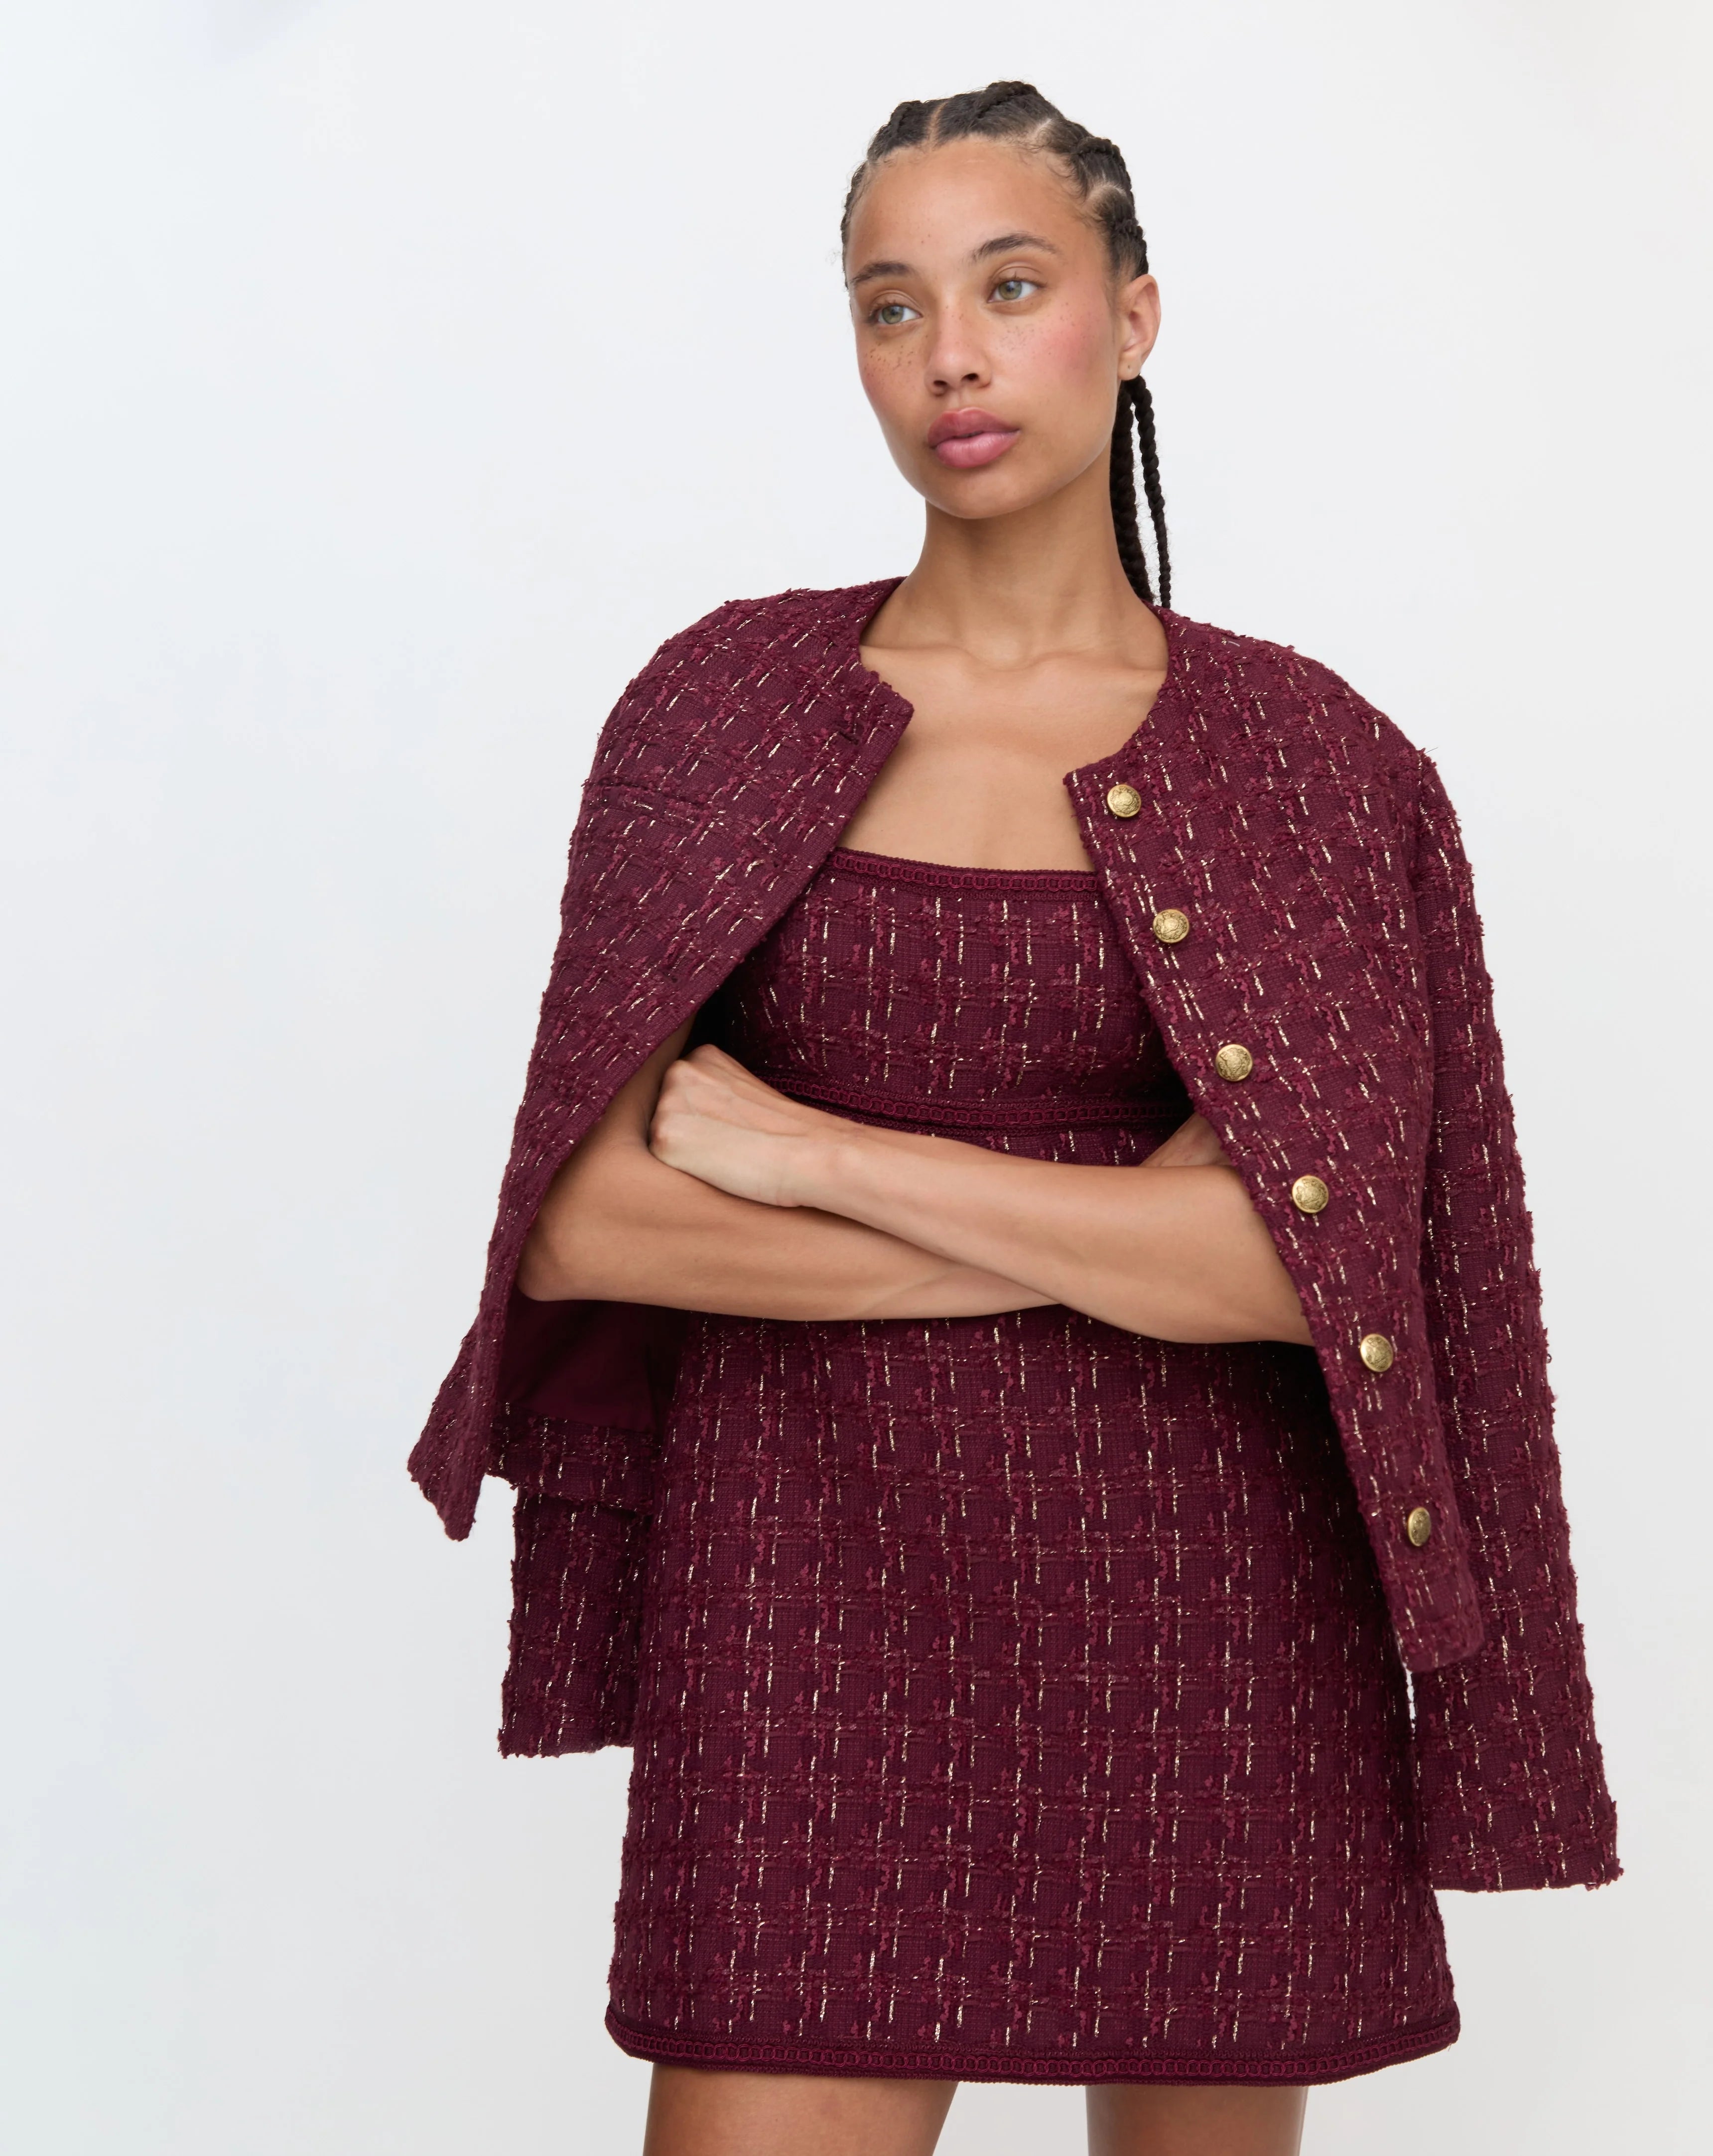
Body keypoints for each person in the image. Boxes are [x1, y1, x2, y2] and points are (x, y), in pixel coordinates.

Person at [410, 81, 1618, 2156]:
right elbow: (590, 1225)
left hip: (1205, 1619)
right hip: (800, 1610)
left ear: (1132, 316)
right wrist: (1101, 1233)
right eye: (891, 306)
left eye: (1010, 287)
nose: (949, 357)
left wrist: (821, 1155)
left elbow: (1297, 1269)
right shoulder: (720, 706)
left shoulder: (1308, 760)